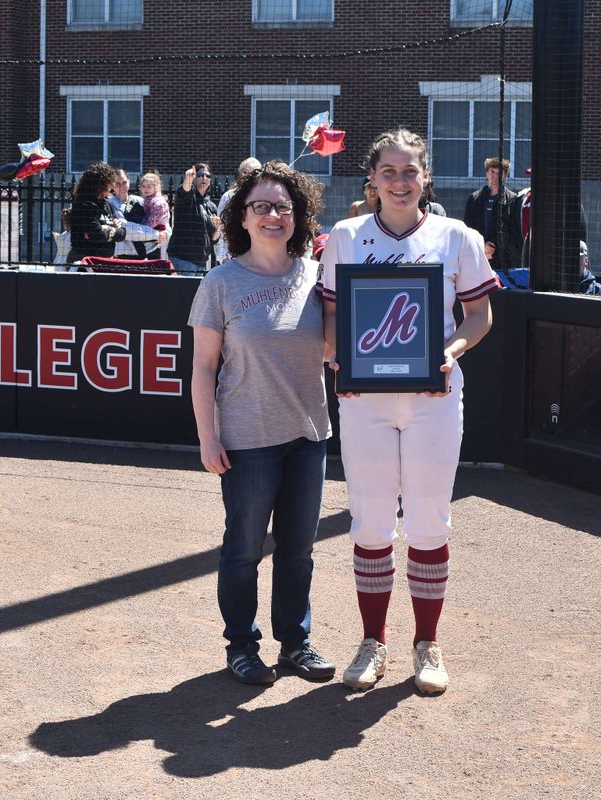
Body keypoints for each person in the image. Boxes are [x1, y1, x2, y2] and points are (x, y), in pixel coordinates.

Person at [319, 128, 499, 695]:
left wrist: (448, 352)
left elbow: (478, 318)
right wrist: (335, 356)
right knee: (370, 520)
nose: (400, 181)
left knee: (427, 519)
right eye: (389, 172)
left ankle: (426, 642)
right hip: (364, 398)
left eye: (410, 171)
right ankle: (373, 641)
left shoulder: (457, 237)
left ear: (427, 178)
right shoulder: (345, 236)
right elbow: (330, 317)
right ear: (371, 180)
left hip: (434, 397)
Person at [187, 160, 334, 686]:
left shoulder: (319, 277)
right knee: (244, 547)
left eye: (283, 207)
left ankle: (295, 643)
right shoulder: (221, 282)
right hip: (247, 440)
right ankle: (242, 646)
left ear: (299, 216)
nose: (273, 215)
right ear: (242, 218)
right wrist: (208, 436)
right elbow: (203, 368)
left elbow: (338, 350)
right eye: (261, 207)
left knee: (298, 550)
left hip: (308, 436)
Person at [463, 156, 523, 269]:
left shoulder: (512, 200)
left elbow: (514, 232)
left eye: (499, 173)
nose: (495, 176)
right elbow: (468, 228)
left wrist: (495, 247)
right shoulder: (475, 199)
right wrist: (482, 246)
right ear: (486, 174)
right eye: (492, 171)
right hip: (478, 255)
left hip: (504, 259)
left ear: (505, 176)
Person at [66, 161, 126, 264]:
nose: (112, 186)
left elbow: (122, 233)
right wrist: (112, 231)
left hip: (106, 260)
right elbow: (96, 235)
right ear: (99, 184)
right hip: (84, 260)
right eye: (109, 183)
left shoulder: (107, 204)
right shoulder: (84, 204)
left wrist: (108, 229)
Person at [167, 163, 221, 272]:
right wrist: (188, 178)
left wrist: (219, 227)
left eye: (207, 176)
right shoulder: (188, 197)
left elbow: (213, 239)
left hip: (201, 262)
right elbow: (185, 190)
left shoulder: (211, 206)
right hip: (182, 259)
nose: (204, 178)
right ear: (194, 177)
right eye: (200, 175)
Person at [214, 157, 262, 264]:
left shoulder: (264, 198)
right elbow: (220, 228)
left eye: (255, 173)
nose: (249, 176)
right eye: (245, 172)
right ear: (240, 174)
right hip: (233, 259)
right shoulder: (228, 197)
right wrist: (222, 258)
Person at [108, 169, 160, 260]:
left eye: (124, 182)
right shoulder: (109, 204)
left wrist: (164, 234)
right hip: (119, 256)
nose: (121, 186)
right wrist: (156, 234)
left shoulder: (140, 201)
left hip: (144, 255)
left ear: (129, 182)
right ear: (112, 185)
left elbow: (160, 220)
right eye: (117, 183)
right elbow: (125, 229)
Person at [138, 171, 171, 258]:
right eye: (144, 186)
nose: (146, 189)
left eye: (149, 187)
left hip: (158, 230)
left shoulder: (158, 201)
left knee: (160, 257)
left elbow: (155, 219)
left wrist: (145, 229)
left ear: (156, 187)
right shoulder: (148, 199)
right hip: (153, 232)